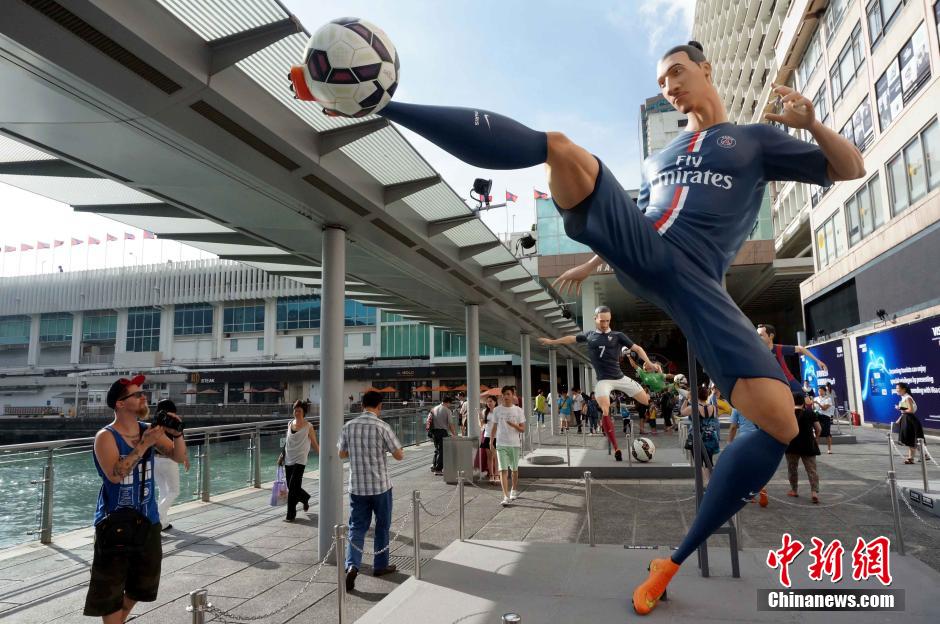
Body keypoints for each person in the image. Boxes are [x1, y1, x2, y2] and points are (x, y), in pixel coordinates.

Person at [364, 37, 864, 614]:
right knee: (560, 149)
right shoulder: (661, 156)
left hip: (698, 281)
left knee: (779, 422)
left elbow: (850, 167)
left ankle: (672, 562)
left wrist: (814, 123)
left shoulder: (754, 139)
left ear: (705, 70)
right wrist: (592, 259)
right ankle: (384, 106)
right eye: (660, 82)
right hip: (650, 251)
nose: (669, 86)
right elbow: (645, 219)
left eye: (676, 73)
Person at [84, 375, 187, 623]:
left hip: (147, 521)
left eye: (143, 392)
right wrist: (144, 445)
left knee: (143, 585)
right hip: (115, 524)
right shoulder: (105, 437)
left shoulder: (146, 430)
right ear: (120, 403)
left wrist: (178, 433)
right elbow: (116, 475)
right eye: (137, 394)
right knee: (110, 591)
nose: (144, 397)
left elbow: (177, 456)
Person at [539, 306, 654, 461]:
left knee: (646, 400)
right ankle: (616, 448)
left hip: (620, 378)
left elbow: (638, 348)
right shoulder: (590, 335)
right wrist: (553, 341)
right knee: (605, 410)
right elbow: (571, 338)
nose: (605, 324)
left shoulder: (618, 335)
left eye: (607, 320)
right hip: (604, 381)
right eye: (602, 321)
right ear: (595, 319)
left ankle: (637, 390)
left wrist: (649, 363)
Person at [339, 390, 404, 590]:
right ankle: (380, 565)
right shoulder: (382, 427)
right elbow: (399, 455)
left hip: (357, 487)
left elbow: (341, 454)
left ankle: (352, 566)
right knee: (382, 526)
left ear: (362, 405)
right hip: (380, 486)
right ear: (379, 406)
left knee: (356, 528)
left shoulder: (348, 426)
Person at [756, 324, 828, 394]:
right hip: (771, 383)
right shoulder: (758, 352)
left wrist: (818, 361)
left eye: (761, 335)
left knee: (805, 399)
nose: (758, 338)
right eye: (757, 335)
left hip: (788, 380)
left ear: (771, 336)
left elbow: (801, 349)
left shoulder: (779, 349)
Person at [281, 399, 320, 522]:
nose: (296, 412)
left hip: (300, 459)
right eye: (295, 410)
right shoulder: (289, 423)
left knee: (293, 486)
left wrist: (322, 455)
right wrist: (281, 455)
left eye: (299, 410)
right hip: (288, 458)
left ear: (304, 412)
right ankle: (305, 498)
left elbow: (314, 443)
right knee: (291, 486)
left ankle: (290, 515)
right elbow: (287, 442)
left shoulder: (308, 426)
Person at [153, 399, 190, 531]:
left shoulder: (156, 421)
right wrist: (185, 458)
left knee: (163, 490)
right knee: (174, 491)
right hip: (169, 460)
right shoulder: (173, 421)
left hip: (155, 460)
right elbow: (179, 440)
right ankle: (156, 517)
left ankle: (163, 523)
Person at [491, 386, 526, 506]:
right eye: (503, 395)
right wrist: (491, 442)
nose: (505, 397)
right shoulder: (497, 410)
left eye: (508, 394)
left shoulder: (518, 410)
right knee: (503, 469)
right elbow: (494, 427)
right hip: (501, 443)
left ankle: (514, 489)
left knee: (514, 470)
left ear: (512, 395)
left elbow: (522, 429)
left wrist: (514, 425)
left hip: (514, 444)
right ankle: (505, 496)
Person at [786, 393, 821, 503]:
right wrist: (816, 439)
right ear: (803, 402)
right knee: (812, 470)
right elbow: (818, 428)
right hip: (808, 444)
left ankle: (794, 490)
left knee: (792, 469)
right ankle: (814, 492)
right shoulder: (810, 413)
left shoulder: (788, 413)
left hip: (792, 445)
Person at [727, 407, 767, 506]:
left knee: (746, 469)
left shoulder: (736, 408)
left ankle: (750, 495)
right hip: (760, 439)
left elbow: (733, 427)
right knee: (759, 468)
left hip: (745, 441)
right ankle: (763, 491)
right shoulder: (759, 405)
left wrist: (729, 442)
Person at [680, 385, 720, 480]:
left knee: (698, 463)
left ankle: (702, 484)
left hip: (697, 437)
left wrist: (687, 398)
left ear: (696, 396)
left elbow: (682, 412)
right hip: (710, 437)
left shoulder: (694, 407)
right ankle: (709, 483)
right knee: (708, 461)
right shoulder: (713, 407)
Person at [895, 382, 927, 464]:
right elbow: (904, 412)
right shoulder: (903, 397)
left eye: (898, 388)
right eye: (896, 388)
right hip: (907, 419)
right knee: (913, 439)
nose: (897, 390)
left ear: (904, 389)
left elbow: (911, 410)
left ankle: (911, 458)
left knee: (912, 439)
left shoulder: (907, 398)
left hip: (911, 421)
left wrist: (899, 408)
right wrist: (899, 420)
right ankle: (924, 455)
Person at [428, 397, 455, 475]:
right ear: (448, 402)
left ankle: (434, 465)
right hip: (442, 432)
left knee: (437, 449)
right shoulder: (447, 410)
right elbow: (450, 424)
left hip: (433, 432)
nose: (450, 405)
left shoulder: (434, 408)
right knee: (442, 451)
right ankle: (438, 469)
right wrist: (454, 433)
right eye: (450, 404)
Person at [480, 395, 499, 483]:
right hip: (487, 436)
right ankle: (491, 475)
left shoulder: (498, 411)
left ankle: (497, 474)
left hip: (497, 436)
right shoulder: (485, 412)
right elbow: (481, 425)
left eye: (491, 401)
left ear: (495, 402)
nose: (489, 403)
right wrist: (480, 418)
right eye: (488, 402)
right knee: (489, 457)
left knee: (496, 457)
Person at [813, 385, 835, 454]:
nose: (820, 392)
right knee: (817, 432)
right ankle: (816, 448)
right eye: (819, 391)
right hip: (817, 417)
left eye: (821, 391)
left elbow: (824, 408)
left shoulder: (828, 399)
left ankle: (829, 449)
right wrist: (813, 405)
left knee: (827, 433)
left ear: (825, 391)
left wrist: (818, 404)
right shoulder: (815, 398)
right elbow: (813, 408)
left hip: (825, 417)